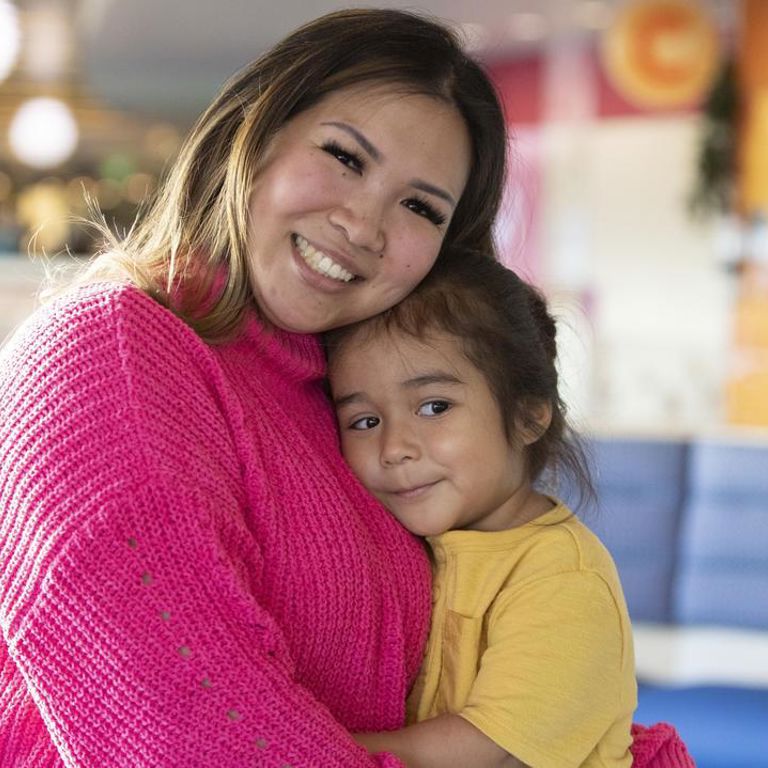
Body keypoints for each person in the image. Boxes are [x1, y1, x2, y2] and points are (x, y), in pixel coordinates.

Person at [0, 9, 508, 767]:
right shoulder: (110, 356)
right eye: (345, 157)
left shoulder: (360, 406)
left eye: (419, 207)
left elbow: (488, 675)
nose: (364, 225)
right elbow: (195, 739)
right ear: (254, 136)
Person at [325, 251, 638, 768]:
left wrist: (292, 745)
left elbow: (490, 754)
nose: (394, 447)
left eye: (434, 407)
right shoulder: (418, 542)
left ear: (527, 416)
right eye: (363, 421)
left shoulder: (564, 577)